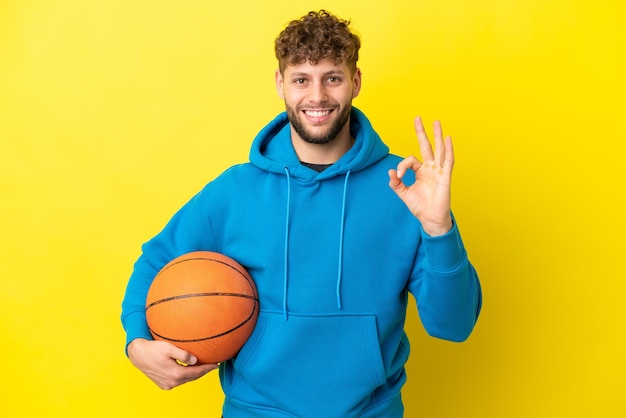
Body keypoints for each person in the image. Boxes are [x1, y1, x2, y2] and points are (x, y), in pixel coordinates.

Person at [121, 9, 482, 418]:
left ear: (355, 82)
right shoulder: (235, 191)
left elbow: (453, 326)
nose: (317, 96)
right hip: (254, 411)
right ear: (280, 84)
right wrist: (137, 343)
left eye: (332, 77)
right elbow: (156, 260)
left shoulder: (405, 187)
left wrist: (439, 229)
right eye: (301, 79)